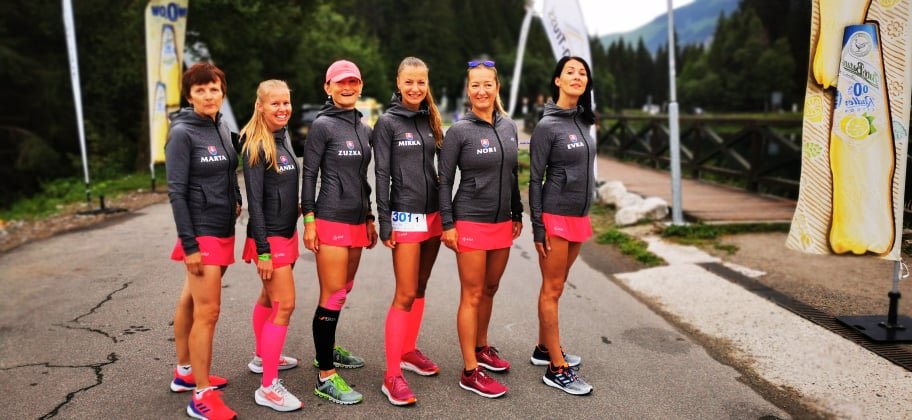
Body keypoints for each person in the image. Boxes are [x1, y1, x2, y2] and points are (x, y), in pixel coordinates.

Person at [438, 59, 523, 399]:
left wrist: (517, 212)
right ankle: (470, 370)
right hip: (470, 219)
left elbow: (513, 173)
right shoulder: (459, 131)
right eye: (475, 85)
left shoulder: (508, 126)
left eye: (488, 84)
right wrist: (448, 224)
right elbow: (445, 181)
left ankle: (482, 346)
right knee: (472, 294)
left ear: (497, 87)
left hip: (502, 221)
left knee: (490, 288)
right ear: (468, 89)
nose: (482, 90)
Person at [166, 62, 241, 420]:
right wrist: (190, 245)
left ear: (222, 92)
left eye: (214, 89)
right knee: (208, 312)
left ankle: (185, 372)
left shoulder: (221, 125)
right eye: (200, 90)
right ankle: (201, 395)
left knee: (190, 300)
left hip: (223, 227)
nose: (208, 95)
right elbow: (176, 192)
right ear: (189, 95)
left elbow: (229, 169)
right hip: (201, 232)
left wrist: (236, 197)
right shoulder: (182, 133)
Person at [301, 59, 377, 405]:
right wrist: (309, 219)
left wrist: (370, 216)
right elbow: (309, 174)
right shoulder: (322, 125)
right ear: (328, 87)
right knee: (332, 295)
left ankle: (326, 349)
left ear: (360, 86)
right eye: (340, 82)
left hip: (357, 220)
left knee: (343, 290)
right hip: (330, 217)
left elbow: (362, 178)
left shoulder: (362, 126)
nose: (347, 87)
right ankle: (325, 376)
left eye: (353, 82)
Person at [372, 57, 444, 406]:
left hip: (433, 215)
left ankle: (408, 350)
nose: (415, 88)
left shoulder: (430, 119)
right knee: (404, 292)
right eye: (409, 82)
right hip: (404, 215)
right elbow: (381, 173)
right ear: (398, 83)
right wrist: (384, 219)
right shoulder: (387, 122)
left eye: (421, 82)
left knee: (421, 285)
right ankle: (392, 375)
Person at [528, 56, 596, 395]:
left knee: (558, 286)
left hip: (578, 217)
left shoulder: (583, 120)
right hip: (555, 216)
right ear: (557, 80)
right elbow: (534, 178)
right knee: (552, 289)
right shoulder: (547, 126)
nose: (577, 76)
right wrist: (537, 226)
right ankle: (556, 368)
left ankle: (544, 348)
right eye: (570, 71)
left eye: (582, 73)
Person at [239, 80, 303, 412]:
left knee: (269, 298)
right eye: (275, 103)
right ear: (260, 106)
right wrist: (263, 249)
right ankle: (268, 387)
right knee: (284, 304)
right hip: (269, 238)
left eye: (286, 103)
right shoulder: (256, 145)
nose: (282, 109)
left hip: (287, 233)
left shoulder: (283, 137)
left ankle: (262, 357)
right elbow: (256, 204)